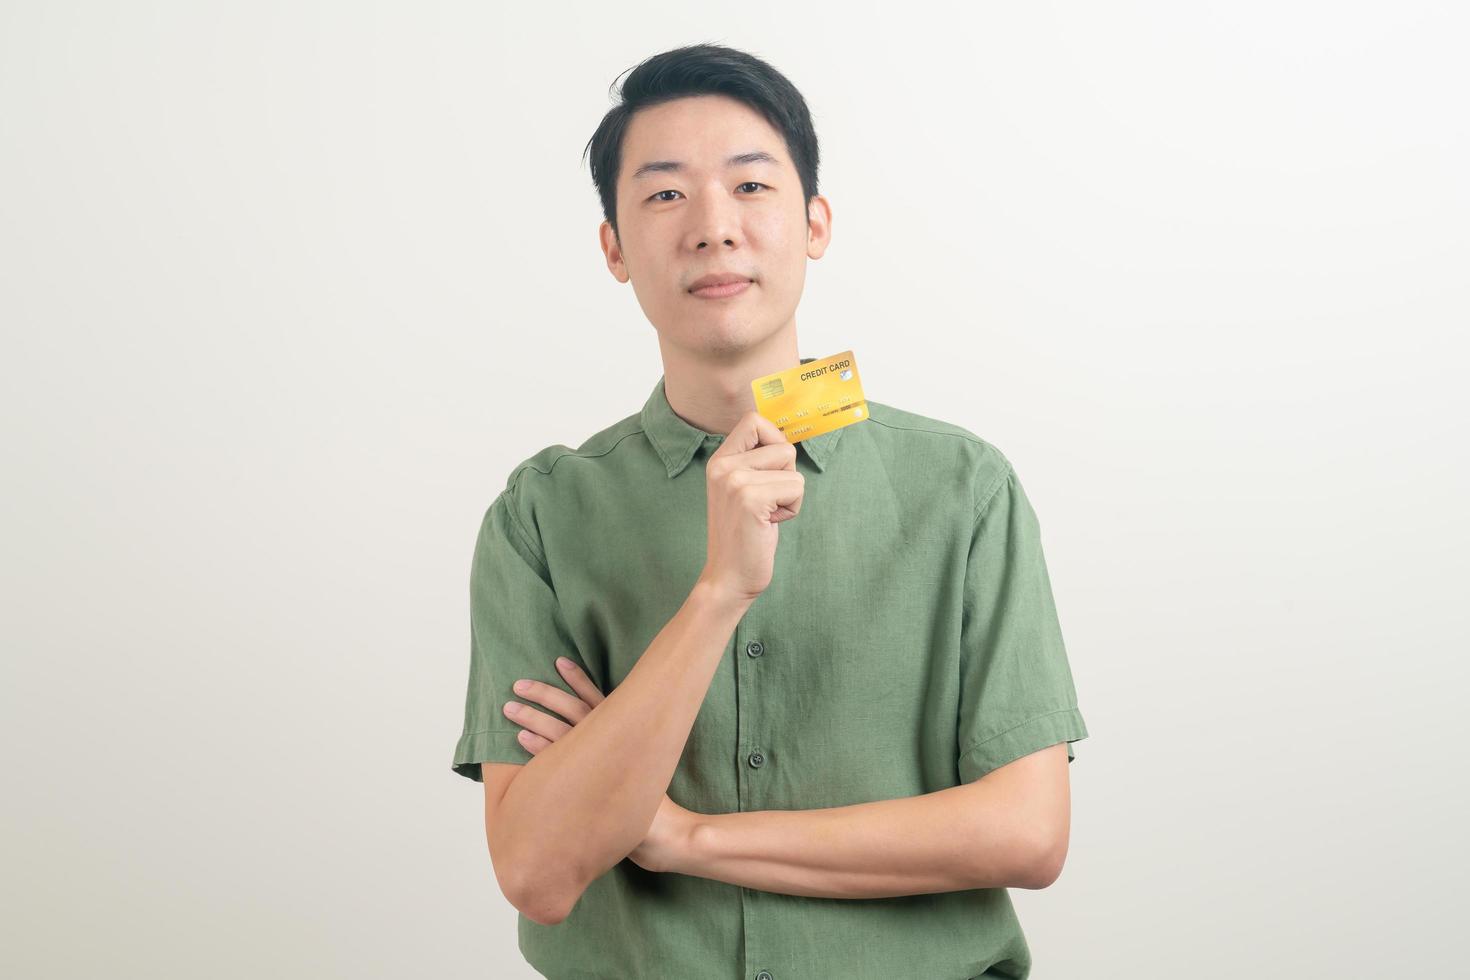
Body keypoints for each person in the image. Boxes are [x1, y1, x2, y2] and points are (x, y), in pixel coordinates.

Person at [451, 42, 1088, 980]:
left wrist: (681, 836)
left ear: (816, 222)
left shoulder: (961, 488)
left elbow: (1028, 834)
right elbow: (540, 870)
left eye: (750, 186)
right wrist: (719, 591)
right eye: (665, 194)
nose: (714, 227)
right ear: (614, 249)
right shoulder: (543, 515)